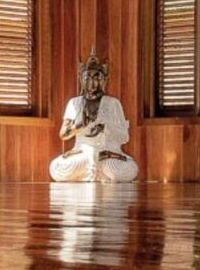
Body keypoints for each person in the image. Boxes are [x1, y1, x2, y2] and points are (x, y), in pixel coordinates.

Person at [50, 50, 139, 182]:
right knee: (56, 168)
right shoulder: (74, 103)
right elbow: (63, 135)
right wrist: (80, 125)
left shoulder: (113, 103)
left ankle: (94, 170)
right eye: (87, 78)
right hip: (83, 155)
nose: (92, 83)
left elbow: (124, 137)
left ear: (104, 80)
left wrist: (105, 128)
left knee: (130, 169)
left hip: (107, 156)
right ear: (81, 79)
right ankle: (94, 171)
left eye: (97, 78)